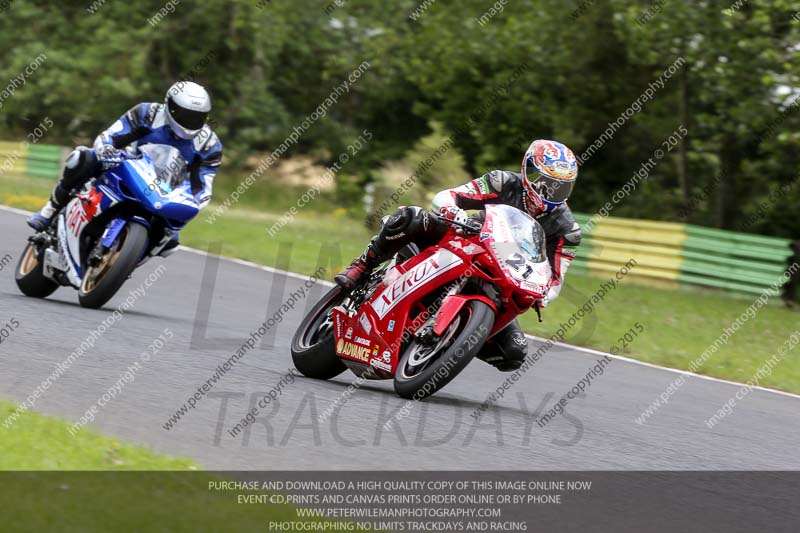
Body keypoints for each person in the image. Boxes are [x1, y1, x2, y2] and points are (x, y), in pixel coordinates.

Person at [335, 139, 581, 371]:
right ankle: (362, 266)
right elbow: (448, 196)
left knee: (513, 353)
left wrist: (543, 294)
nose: (550, 191)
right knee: (409, 217)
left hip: (503, 277)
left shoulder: (568, 230)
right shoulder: (502, 182)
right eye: (546, 181)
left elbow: (556, 279)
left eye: (562, 187)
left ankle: (456, 339)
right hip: (465, 239)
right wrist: (454, 212)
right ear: (528, 171)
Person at [27, 81, 223, 250]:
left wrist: (194, 200)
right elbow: (112, 135)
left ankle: (125, 259)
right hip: (126, 165)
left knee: (170, 243)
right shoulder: (148, 113)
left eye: (197, 117)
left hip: (165, 191)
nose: (190, 121)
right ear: (169, 106)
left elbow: (203, 185)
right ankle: (50, 210)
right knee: (82, 157)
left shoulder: (208, 144)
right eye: (184, 114)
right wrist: (107, 150)